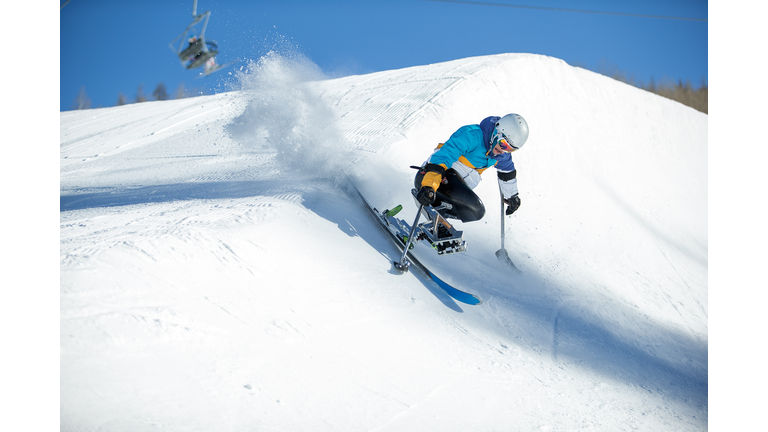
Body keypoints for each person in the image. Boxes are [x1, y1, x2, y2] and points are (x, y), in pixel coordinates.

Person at [414, 114, 529, 229]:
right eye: (503, 144)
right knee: (477, 209)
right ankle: (435, 219)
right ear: (496, 133)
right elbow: (444, 157)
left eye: (510, 149)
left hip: (453, 188)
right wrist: (429, 185)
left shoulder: (500, 155)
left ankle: (439, 225)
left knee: (475, 212)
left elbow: (507, 173)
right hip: (433, 178)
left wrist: (512, 196)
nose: (502, 151)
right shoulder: (471, 135)